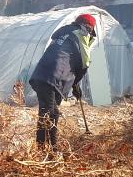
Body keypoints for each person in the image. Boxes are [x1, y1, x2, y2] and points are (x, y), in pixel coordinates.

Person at [29, 13, 97, 152]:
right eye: (91, 31)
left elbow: (65, 58)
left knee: (47, 113)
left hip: (42, 76)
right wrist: (76, 84)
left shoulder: (64, 32)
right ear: (88, 27)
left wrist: (75, 85)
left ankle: (43, 148)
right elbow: (84, 63)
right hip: (52, 79)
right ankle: (50, 149)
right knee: (51, 114)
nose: (90, 34)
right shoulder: (81, 33)